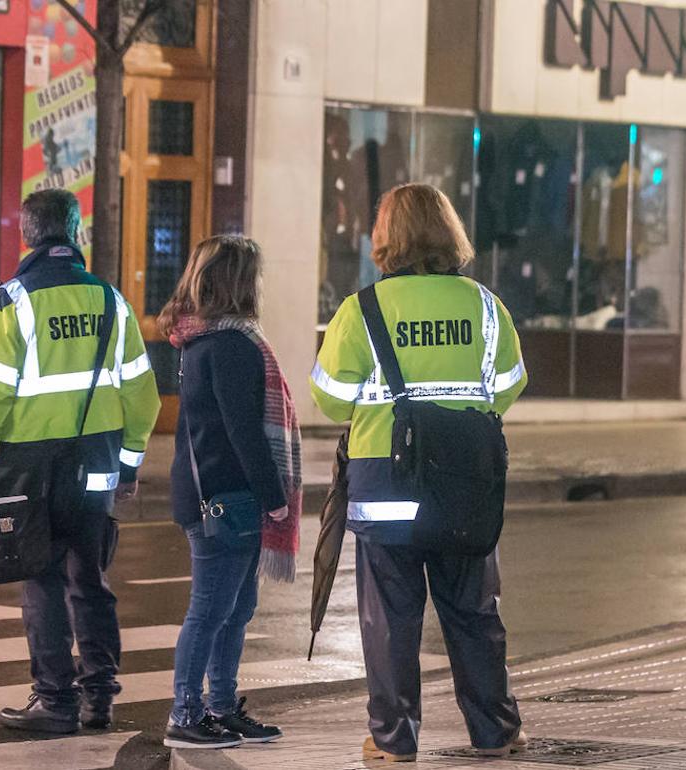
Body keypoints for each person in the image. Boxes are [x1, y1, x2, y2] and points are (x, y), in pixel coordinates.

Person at [310, 184, 529, 762]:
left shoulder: (363, 310)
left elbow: (331, 399)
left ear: (387, 239)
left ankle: (393, 741)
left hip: (388, 488)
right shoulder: (484, 305)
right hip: (465, 484)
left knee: (390, 620)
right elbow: (508, 386)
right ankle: (496, 731)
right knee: (475, 612)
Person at [0, 189, 161, 734]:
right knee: (88, 576)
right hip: (96, 462)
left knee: (42, 577)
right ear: (76, 232)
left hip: (31, 466)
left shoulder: (12, 301)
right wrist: (130, 464)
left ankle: (55, 701)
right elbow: (143, 396)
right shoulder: (111, 301)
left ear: (27, 234)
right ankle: (99, 698)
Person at [156, 235, 302, 749]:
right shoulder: (233, 345)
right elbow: (243, 430)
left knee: (234, 610)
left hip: (211, 493)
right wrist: (275, 496)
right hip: (225, 497)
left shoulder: (203, 340)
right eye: (255, 275)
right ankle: (186, 712)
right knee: (212, 611)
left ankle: (219, 706)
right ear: (241, 282)